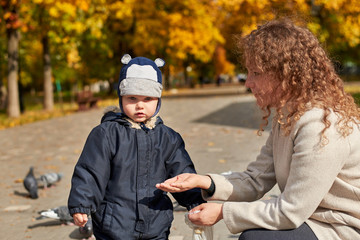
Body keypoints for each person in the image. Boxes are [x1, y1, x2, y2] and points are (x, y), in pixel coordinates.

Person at [156, 18, 360, 240]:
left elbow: (291, 210)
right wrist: (203, 181)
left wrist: (224, 211)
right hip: (311, 218)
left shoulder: (321, 125)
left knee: (256, 238)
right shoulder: (289, 116)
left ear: (285, 75)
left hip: (341, 227)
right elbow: (256, 179)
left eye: (256, 73)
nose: (248, 83)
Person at [68, 54, 205, 239]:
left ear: (158, 100)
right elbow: (90, 171)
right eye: (132, 98)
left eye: (148, 98)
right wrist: (81, 204)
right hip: (114, 224)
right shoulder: (106, 134)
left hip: (156, 222)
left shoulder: (167, 138)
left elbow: (182, 173)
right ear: (121, 98)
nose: (140, 105)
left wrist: (195, 200)